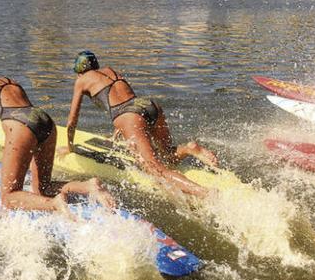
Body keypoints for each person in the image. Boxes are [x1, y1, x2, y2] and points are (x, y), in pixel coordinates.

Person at [0, 57, 115, 215]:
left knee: (9, 197)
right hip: (45, 122)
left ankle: (55, 203)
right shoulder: (9, 80)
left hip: (21, 127)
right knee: (42, 188)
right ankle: (88, 186)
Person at [63, 51, 217, 199]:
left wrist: (70, 146)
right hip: (149, 106)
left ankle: (204, 193)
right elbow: (126, 98)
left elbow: (72, 121)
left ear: (79, 71)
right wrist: (121, 127)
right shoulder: (110, 70)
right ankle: (189, 149)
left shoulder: (81, 81)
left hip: (130, 117)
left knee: (156, 170)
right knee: (166, 156)